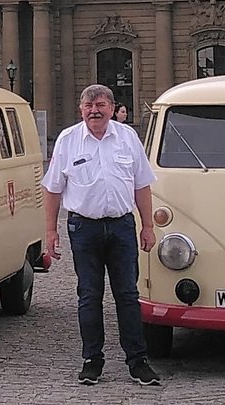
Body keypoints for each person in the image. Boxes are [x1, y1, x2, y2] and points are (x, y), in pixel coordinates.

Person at [42, 84, 161, 387]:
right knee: (89, 296)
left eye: (101, 105)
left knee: (128, 296)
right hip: (84, 227)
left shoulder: (127, 137)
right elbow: (53, 189)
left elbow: (141, 185)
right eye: (88, 105)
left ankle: (138, 361)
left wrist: (147, 225)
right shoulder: (68, 141)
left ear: (112, 108)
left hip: (122, 226)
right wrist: (50, 230)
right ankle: (92, 361)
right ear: (80, 110)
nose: (94, 110)